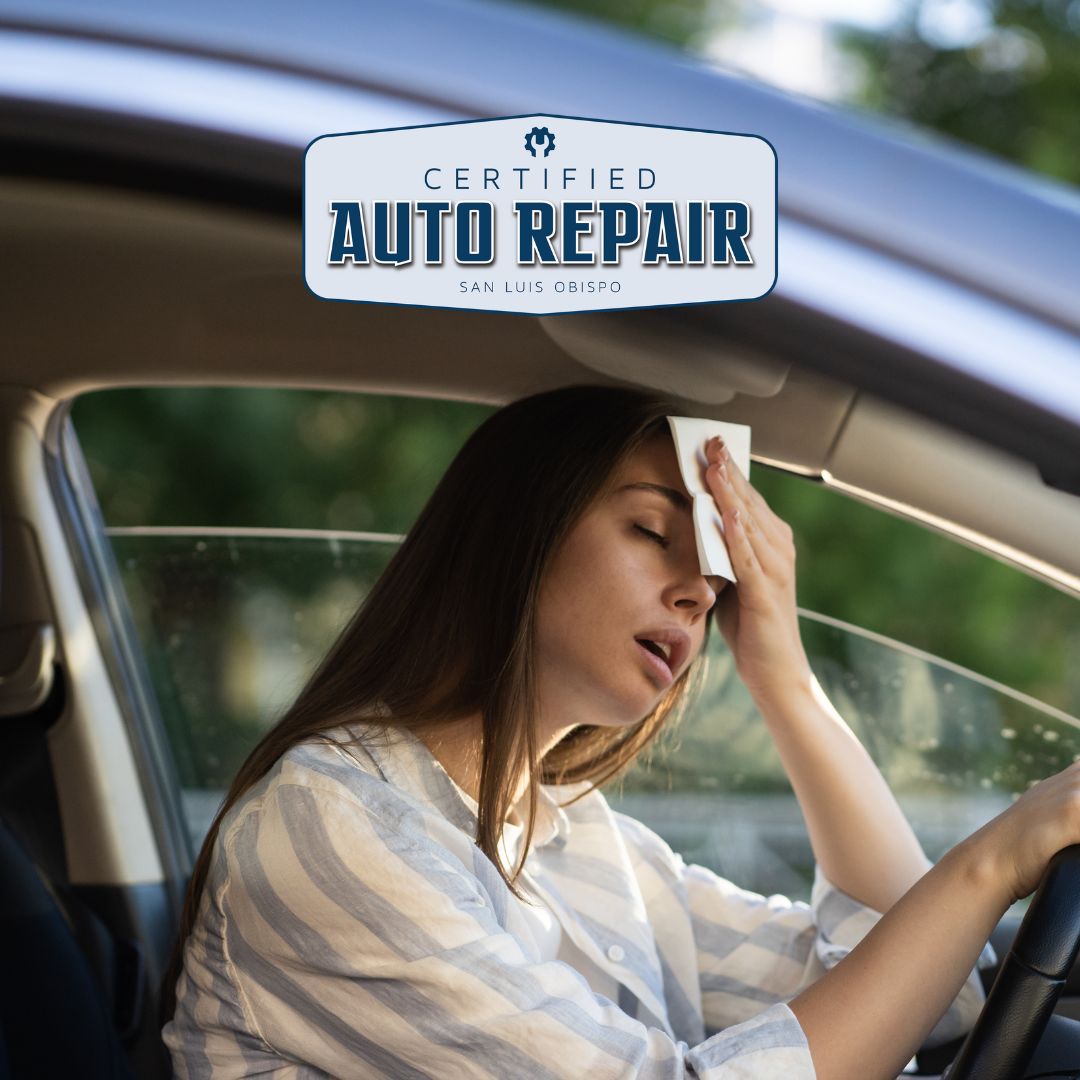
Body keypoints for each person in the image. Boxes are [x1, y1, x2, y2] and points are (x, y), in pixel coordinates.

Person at [162, 384, 1074, 1078]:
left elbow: (926, 991)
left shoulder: (586, 841)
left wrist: (785, 679)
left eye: (716, 577)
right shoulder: (328, 826)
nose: (700, 590)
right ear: (517, 530)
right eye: (650, 528)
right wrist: (994, 860)